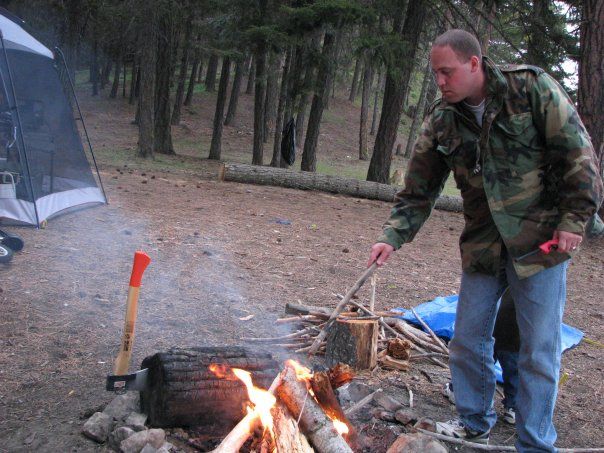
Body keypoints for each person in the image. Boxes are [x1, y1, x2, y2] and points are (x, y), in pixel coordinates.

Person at [367, 29, 602, 452]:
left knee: (538, 348)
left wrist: (575, 218)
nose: (440, 81)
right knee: (467, 338)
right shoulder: (443, 118)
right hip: (483, 242)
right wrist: (392, 237)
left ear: (474, 63)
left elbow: (578, 153)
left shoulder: (529, 89)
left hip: (541, 240)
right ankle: (474, 421)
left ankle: (534, 442)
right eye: (435, 73)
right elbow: (419, 188)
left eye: (447, 71)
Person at [444, 288, 519, 426]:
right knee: (514, 366)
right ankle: (514, 406)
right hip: (515, 331)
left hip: (494, 327)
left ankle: (463, 393)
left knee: (481, 359)